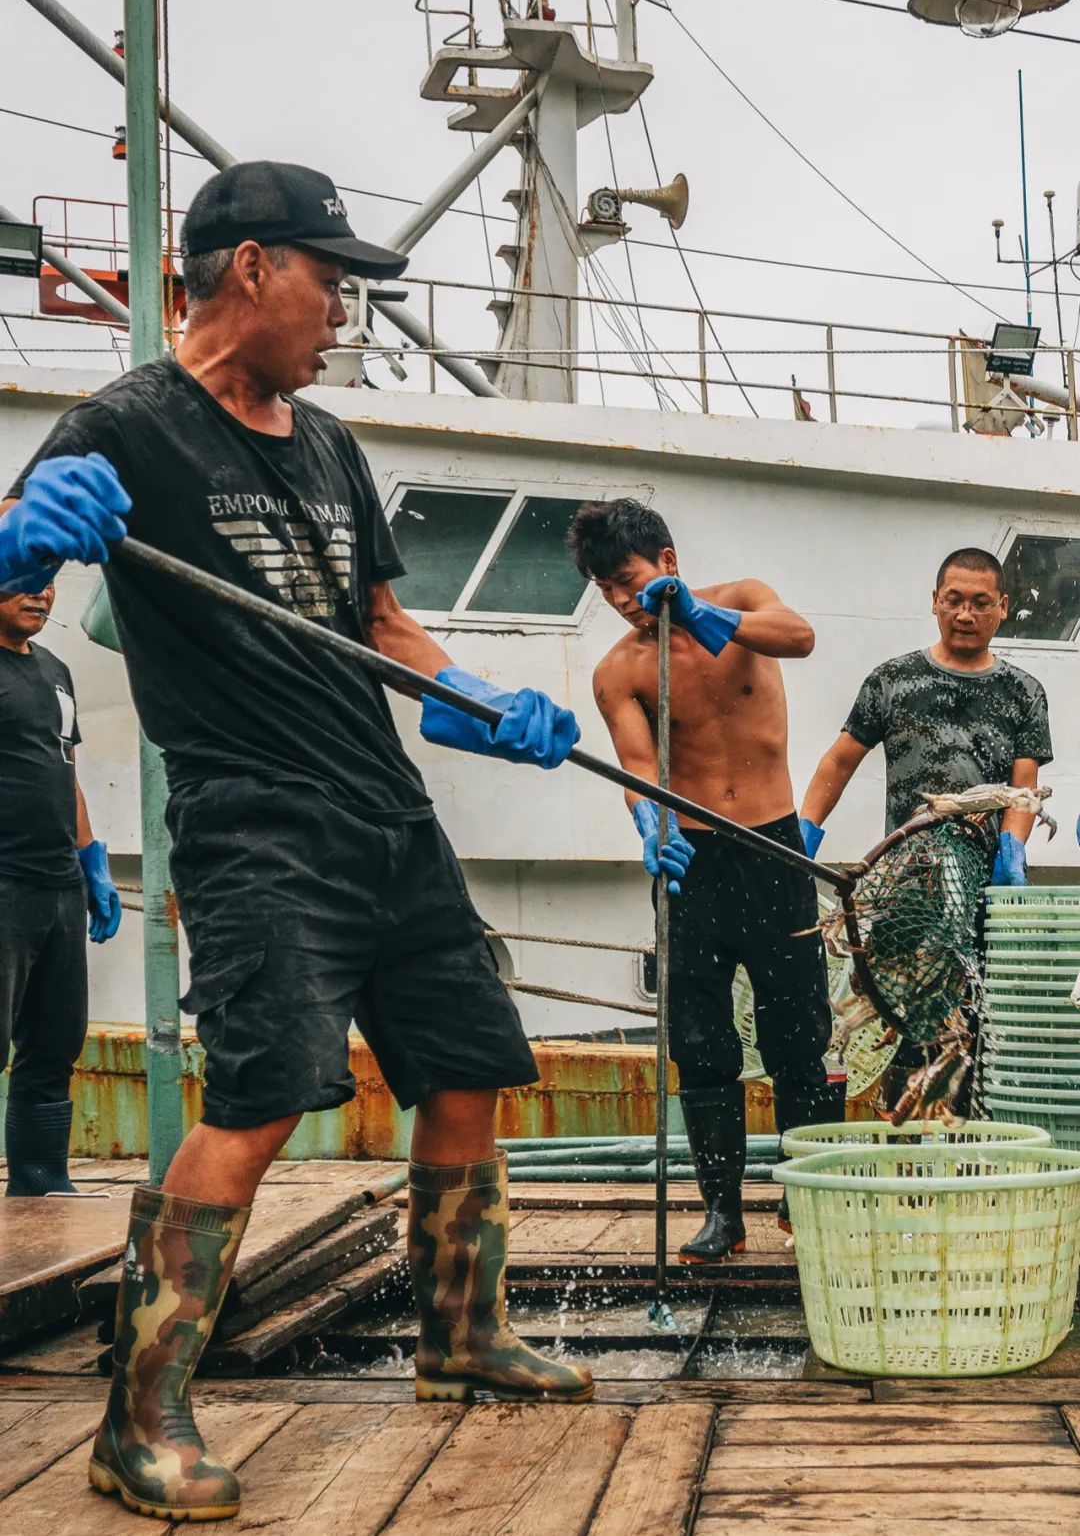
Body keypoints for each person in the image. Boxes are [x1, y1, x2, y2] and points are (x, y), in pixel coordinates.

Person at [3, 161, 592, 1525]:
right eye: (333, 279)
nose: (348, 307)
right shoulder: (124, 424)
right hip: (255, 822)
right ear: (253, 267)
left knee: (465, 1069)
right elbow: (9, 573)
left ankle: (460, 1333)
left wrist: (481, 695)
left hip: (388, 812)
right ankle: (137, 1415)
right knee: (261, 1099)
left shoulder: (326, 441)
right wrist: (12, 538)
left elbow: (381, 624)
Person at [566, 499, 845, 1265]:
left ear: (667, 560)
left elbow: (802, 636)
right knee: (701, 1041)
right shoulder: (619, 669)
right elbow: (638, 767)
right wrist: (649, 822)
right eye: (606, 589)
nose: (623, 601)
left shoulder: (744, 601)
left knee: (799, 1036)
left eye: (628, 579)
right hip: (691, 859)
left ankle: (806, 1195)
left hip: (776, 848)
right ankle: (723, 1211)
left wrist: (699, 613)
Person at [800, 546, 1053, 1101]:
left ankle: (968, 1140)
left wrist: (1011, 849)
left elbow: (1024, 783)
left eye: (980, 603)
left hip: (983, 886)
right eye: (954, 600)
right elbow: (839, 761)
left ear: (1002, 607)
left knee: (976, 1024)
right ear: (935, 603)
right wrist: (805, 830)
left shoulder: (1024, 692)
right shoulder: (892, 680)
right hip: (906, 884)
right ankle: (910, 1147)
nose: (966, 614)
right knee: (907, 1020)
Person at [0, 581, 121, 1196]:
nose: (41, 597)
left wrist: (92, 860)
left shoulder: (55, 670)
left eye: (49, 586)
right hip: (4, 884)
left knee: (54, 1041)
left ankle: (39, 1180)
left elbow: (65, 766)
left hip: (58, 883)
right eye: (24, 582)